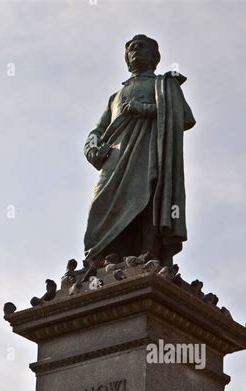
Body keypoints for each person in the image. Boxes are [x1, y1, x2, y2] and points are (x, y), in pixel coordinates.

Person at [83, 34, 195, 267]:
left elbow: (184, 117)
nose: (135, 51)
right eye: (131, 48)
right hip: (115, 155)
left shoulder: (164, 84)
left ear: (154, 57)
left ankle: (148, 253)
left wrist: (141, 108)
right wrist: (91, 148)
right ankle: (101, 258)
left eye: (141, 47)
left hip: (149, 148)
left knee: (147, 196)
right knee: (100, 204)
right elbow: (98, 129)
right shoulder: (114, 97)